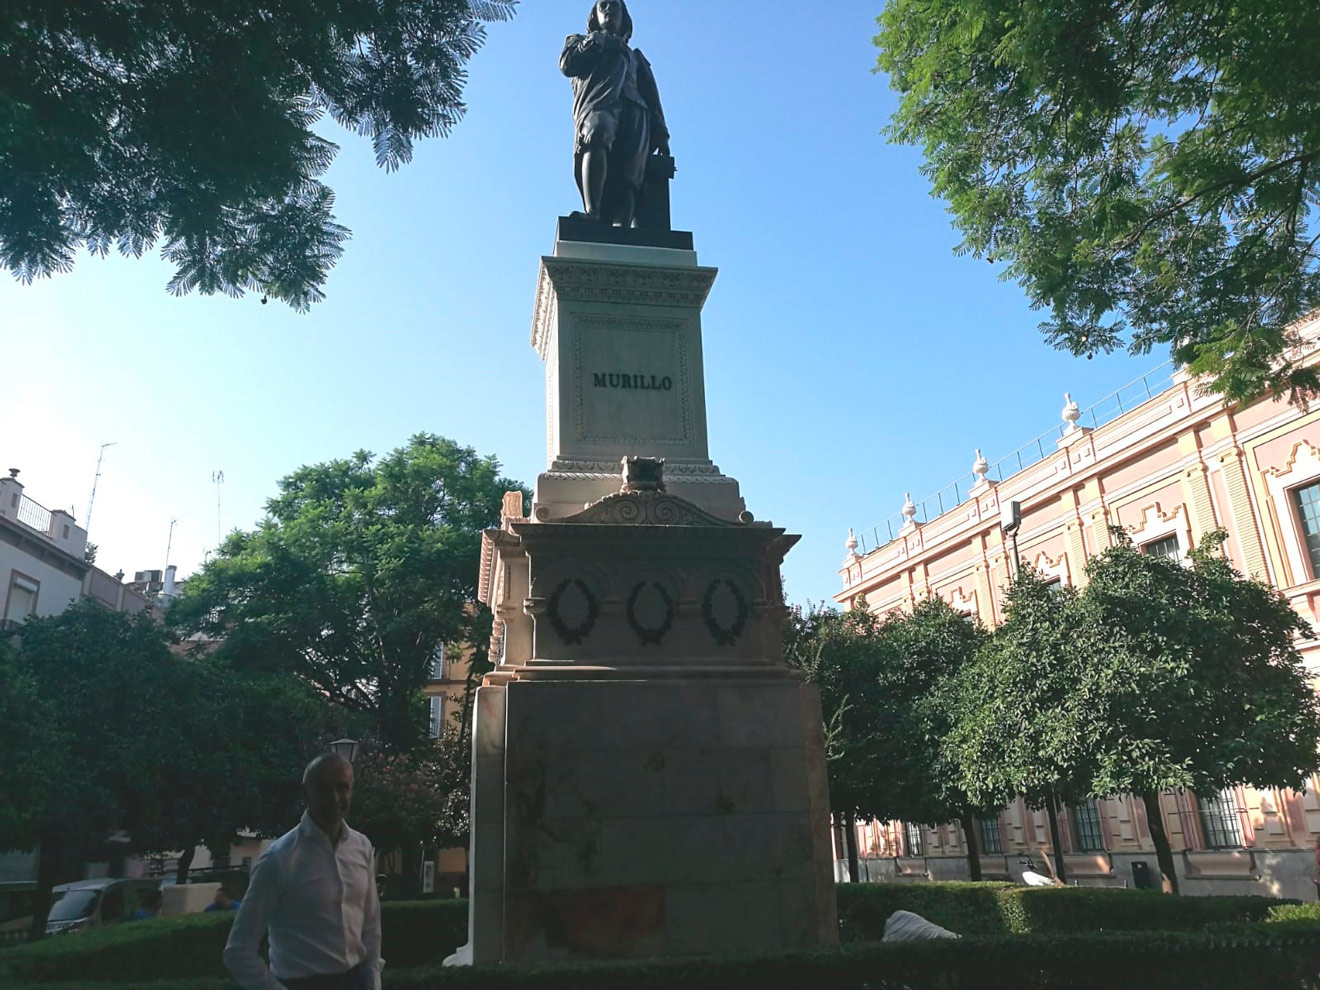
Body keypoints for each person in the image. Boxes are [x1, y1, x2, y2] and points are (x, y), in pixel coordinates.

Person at [224, 753, 382, 990]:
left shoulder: (362, 847)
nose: (335, 798)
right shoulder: (279, 859)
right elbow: (238, 950)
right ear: (305, 792)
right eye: (323, 789)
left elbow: (370, 929)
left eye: (342, 788)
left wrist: (372, 983)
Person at [561, 0, 670, 227]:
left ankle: (623, 222)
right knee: (597, 133)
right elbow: (567, 65)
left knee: (631, 168)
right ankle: (593, 212)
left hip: (636, 111)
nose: (609, 9)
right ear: (594, 16)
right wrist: (596, 42)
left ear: (624, 18)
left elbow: (653, 98)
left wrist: (662, 135)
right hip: (600, 105)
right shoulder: (580, 42)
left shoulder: (636, 58)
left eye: (615, 6)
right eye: (603, 5)